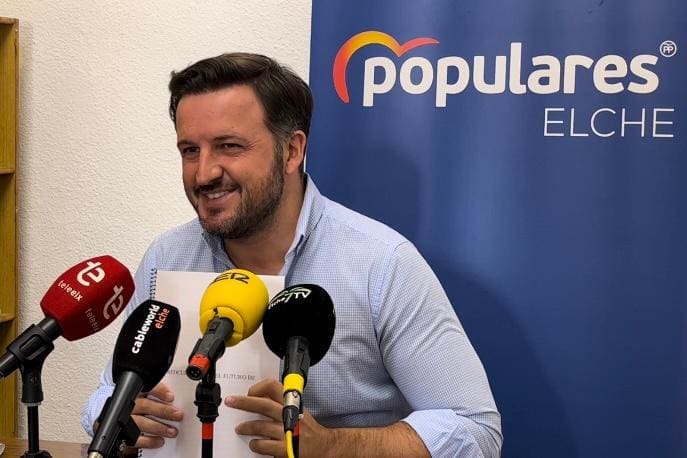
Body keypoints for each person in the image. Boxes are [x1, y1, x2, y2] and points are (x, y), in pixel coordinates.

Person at [82, 53, 502, 457]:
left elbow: (475, 430)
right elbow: (106, 394)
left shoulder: (382, 263)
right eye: (190, 150)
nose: (204, 173)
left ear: (292, 151)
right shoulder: (167, 256)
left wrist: (334, 449)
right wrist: (120, 417)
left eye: (228, 146)